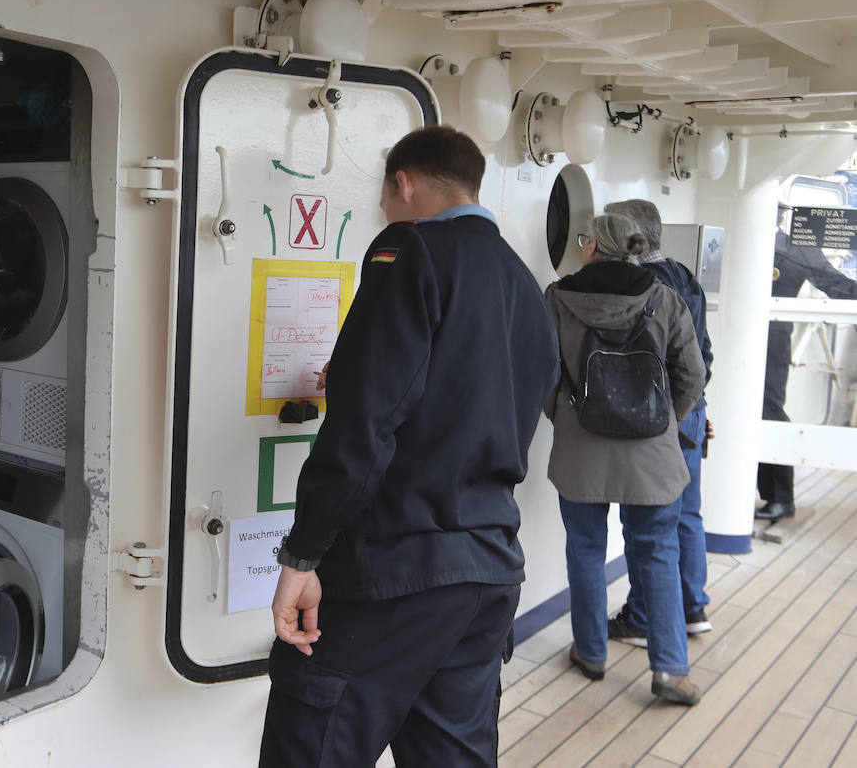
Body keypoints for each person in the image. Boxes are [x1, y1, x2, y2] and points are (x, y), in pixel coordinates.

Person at [260, 125, 560, 768]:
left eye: (386, 200)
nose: (386, 214)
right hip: (485, 573)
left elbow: (365, 425)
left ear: (405, 183)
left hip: (391, 573)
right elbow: (479, 408)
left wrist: (304, 553)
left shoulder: (410, 250)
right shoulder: (527, 290)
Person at [544, 214, 706, 706]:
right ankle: (671, 671)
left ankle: (591, 653)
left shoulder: (557, 298)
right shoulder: (663, 297)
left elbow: (541, 372)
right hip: (652, 455)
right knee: (658, 551)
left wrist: (567, 418)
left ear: (592, 246)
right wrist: (662, 422)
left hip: (580, 450)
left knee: (586, 550)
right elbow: (693, 374)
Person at [602, 199, 714, 642]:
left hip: (656, 419)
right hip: (693, 410)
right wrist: (697, 409)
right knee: (686, 515)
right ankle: (692, 607)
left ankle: (643, 618)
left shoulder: (641, 285)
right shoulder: (686, 277)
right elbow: (702, 355)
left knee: (647, 525)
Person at [758, 210, 857, 519]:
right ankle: (769, 494)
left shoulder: (790, 246)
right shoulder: (790, 246)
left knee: (768, 409)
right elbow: (834, 283)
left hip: (772, 341)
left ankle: (781, 497)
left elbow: (836, 285)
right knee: (757, 410)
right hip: (751, 336)